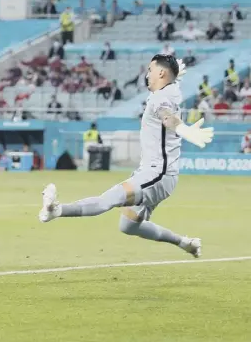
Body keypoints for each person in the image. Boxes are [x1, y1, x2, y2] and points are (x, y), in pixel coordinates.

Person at [39, 55, 214, 258]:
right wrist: (175, 74)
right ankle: (185, 243)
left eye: (150, 70)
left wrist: (184, 129)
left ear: (161, 73)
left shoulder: (160, 98)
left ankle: (58, 210)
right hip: (157, 174)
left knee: (108, 200)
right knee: (128, 226)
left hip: (157, 174)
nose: (147, 75)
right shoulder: (171, 90)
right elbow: (170, 96)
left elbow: (167, 117)